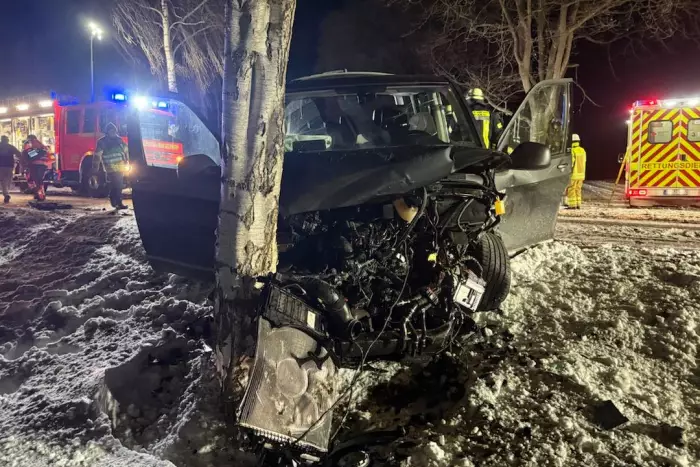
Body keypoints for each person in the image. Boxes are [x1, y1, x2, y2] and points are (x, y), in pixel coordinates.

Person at [94, 123, 129, 210]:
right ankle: (118, 202)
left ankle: (114, 199)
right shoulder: (102, 142)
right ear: (107, 132)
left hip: (120, 167)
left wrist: (128, 160)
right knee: (118, 185)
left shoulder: (119, 140)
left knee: (116, 185)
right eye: (111, 130)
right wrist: (95, 167)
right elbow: (97, 156)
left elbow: (126, 151)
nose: (113, 132)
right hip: (110, 167)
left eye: (114, 130)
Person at [22, 135, 50, 201]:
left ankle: (38, 194)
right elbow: (47, 154)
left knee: (33, 180)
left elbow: (27, 154)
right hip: (42, 165)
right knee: (39, 180)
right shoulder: (42, 145)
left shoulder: (29, 143)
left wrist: (25, 162)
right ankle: (41, 195)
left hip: (33, 165)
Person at [565, 133, 587, 209]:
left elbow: (571, 163)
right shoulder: (582, 150)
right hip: (581, 174)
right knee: (578, 189)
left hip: (574, 174)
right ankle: (578, 204)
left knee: (571, 189)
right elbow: (584, 161)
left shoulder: (572, 151)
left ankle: (572, 205)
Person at [0, 135, 21, 203]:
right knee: (8, 180)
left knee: (3, 180)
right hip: (9, 166)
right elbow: (18, 153)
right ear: (7, 140)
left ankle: (6, 194)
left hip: (1, 166)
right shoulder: (10, 147)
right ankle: (6, 193)